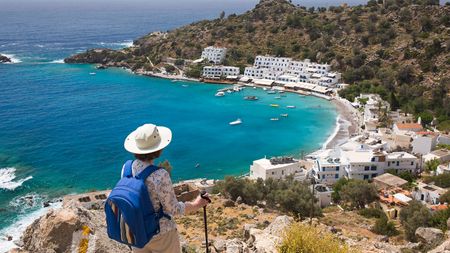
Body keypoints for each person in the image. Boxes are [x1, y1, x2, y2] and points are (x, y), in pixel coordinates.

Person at [123, 123, 209, 253]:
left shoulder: (127, 168)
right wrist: (198, 203)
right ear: (158, 149)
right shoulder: (160, 175)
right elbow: (173, 209)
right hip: (161, 234)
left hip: (136, 231)